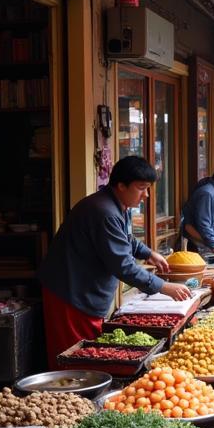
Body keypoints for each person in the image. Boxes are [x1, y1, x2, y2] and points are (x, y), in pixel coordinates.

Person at [39, 156, 191, 364]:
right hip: (71, 293)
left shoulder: (117, 205)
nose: (146, 195)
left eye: (148, 188)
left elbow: (124, 239)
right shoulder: (104, 212)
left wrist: (147, 253)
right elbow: (124, 266)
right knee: (74, 359)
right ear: (121, 186)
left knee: (88, 357)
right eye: (141, 188)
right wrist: (163, 286)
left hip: (84, 292)